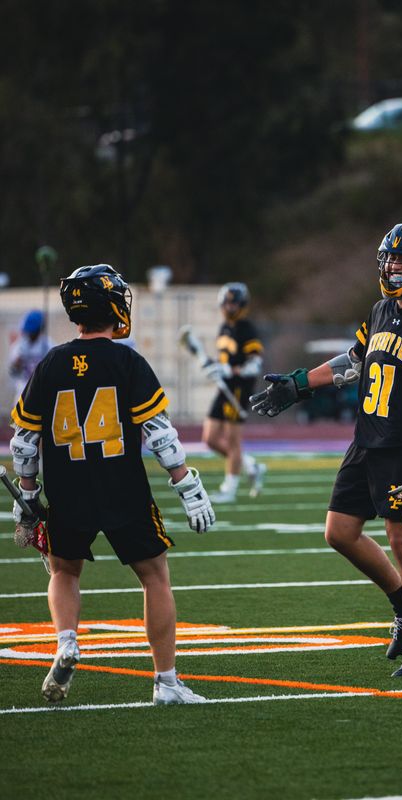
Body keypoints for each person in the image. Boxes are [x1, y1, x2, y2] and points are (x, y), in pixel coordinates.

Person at [250, 223, 402, 678]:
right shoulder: (378, 311)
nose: (395, 267)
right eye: (391, 258)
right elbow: (352, 363)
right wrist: (299, 384)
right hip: (367, 439)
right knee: (339, 532)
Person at [9, 264, 216, 705]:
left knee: (64, 571)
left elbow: (24, 442)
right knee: (154, 577)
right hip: (123, 485)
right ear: (111, 305)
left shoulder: (50, 363)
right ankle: (166, 683)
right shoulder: (127, 360)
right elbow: (159, 434)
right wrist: (188, 486)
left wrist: (28, 496)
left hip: (67, 487)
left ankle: (66, 641)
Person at [202, 282, 267, 503]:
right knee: (209, 438)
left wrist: (228, 370)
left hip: (239, 389)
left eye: (233, 303)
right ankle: (250, 465)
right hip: (225, 388)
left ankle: (229, 488)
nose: (229, 307)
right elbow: (223, 361)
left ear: (242, 304)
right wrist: (213, 366)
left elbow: (254, 365)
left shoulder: (246, 328)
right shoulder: (224, 328)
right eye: (226, 303)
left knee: (232, 441)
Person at [8, 309, 53, 404]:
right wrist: (17, 362)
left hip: (41, 392)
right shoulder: (19, 345)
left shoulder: (48, 345)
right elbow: (13, 372)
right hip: (23, 391)